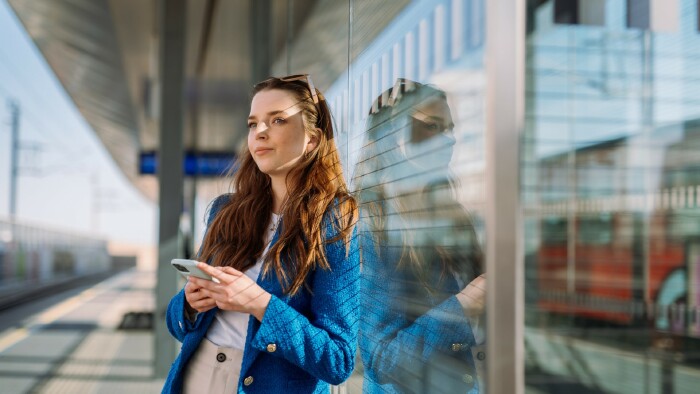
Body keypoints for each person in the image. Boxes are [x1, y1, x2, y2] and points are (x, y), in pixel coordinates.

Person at [162, 74, 360, 394]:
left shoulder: (335, 220)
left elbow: (338, 360)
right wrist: (188, 303)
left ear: (312, 139)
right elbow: (177, 324)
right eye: (254, 124)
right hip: (196, 377)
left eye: (278, 120)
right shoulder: (225, 211)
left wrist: (260, 304)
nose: (261, 132)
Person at [354, 79, 486, 393]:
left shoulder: (451, 214)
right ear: (391, 134)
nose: (449, 139)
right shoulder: (370, 223)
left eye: (450, 128)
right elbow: (382, 360)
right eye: (433, 126)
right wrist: (465, 306)